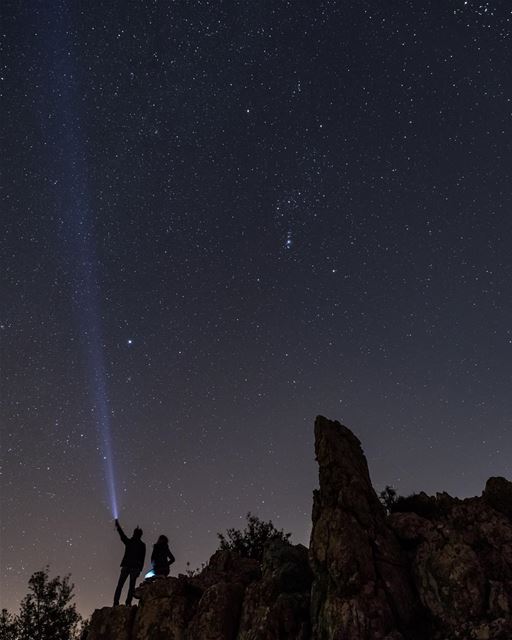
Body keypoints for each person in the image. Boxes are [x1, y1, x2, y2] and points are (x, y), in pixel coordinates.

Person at [113, 519, 146, 606]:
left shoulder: (130, 542)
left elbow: (122, 535)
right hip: (135, 568)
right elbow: (142, 559)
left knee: (120, 585)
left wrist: (118, 526)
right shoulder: (142, 545)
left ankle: (116, 603)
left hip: (127, 566)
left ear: (134, 533)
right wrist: (140, 570)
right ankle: (128, 603)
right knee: (131, 587)